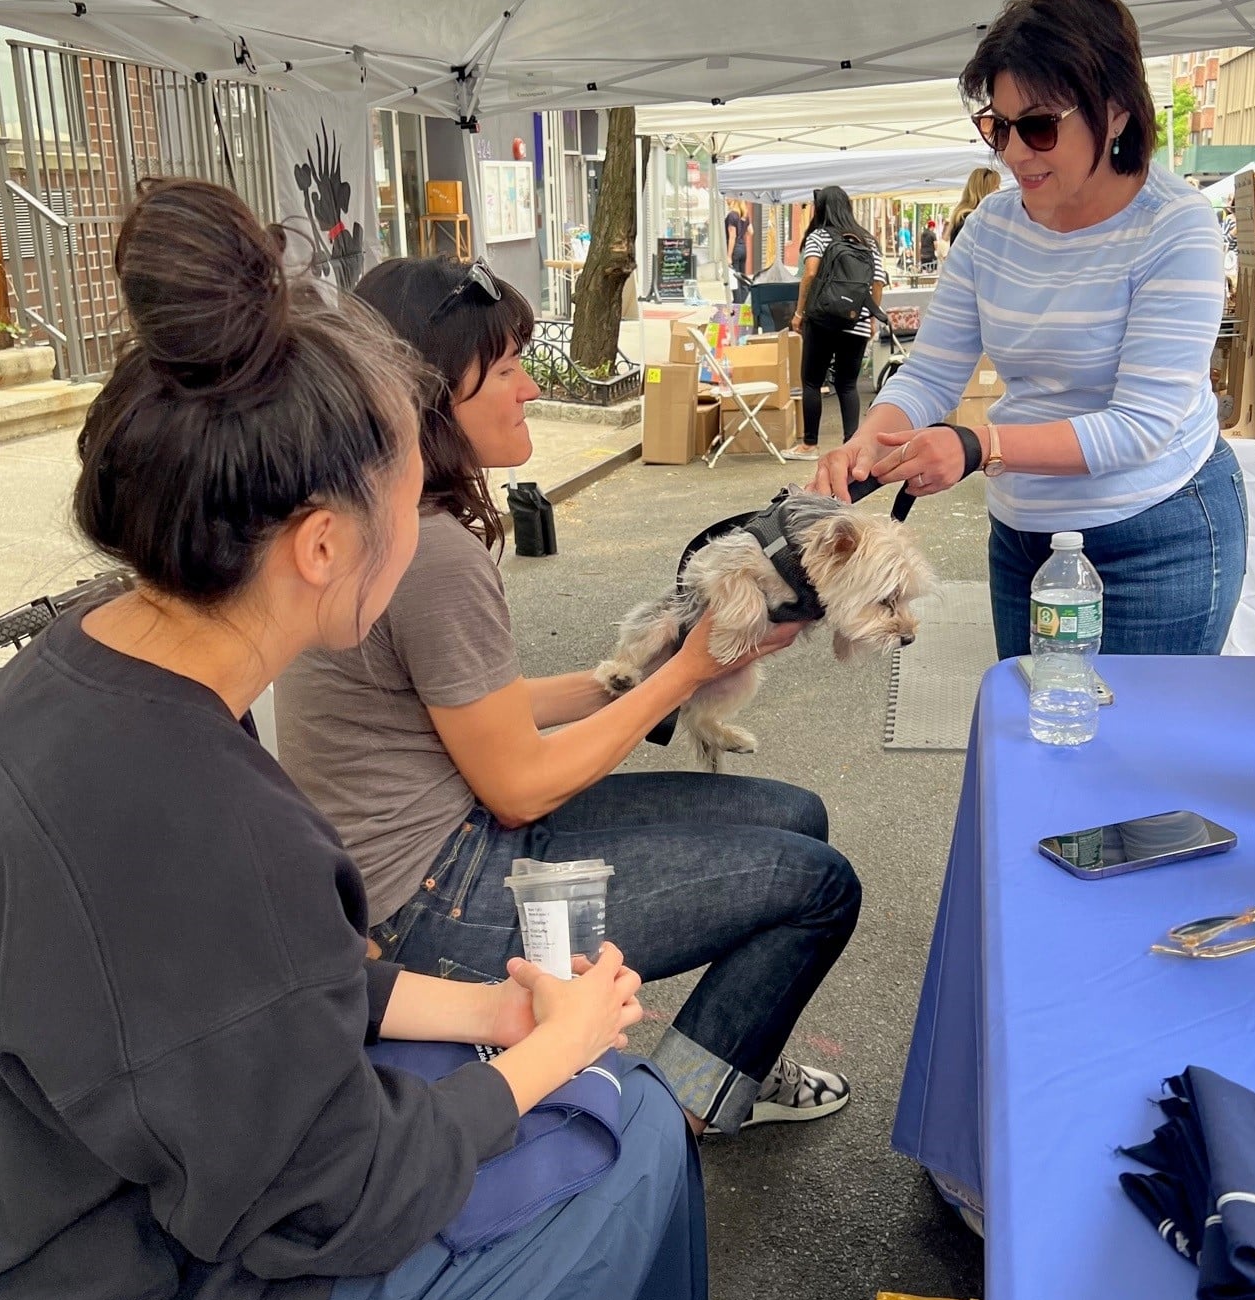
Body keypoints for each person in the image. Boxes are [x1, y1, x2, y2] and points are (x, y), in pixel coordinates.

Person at [0, 182, 704, 1300]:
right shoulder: (206, 818)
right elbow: (335, 1201)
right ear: (320, 542)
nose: (422, 515)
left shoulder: (77, 674)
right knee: (630, 1141)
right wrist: (550, 1053)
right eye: (402, 490)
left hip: (61, 1248)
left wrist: (495, 1006)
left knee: (540, 1092)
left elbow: (258, 993)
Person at [276, 254, 859, 1135]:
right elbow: (521, 787)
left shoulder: (378, 517)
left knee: (798, 816)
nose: (528, 388)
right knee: (821, 885)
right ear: (424, 397)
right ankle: (680, 1112)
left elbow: (483, 713)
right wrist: (687, 669)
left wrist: (615, 677)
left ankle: (724, 1059)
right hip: (436, 904)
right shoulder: (431, 552)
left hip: (426, 863)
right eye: (505, 370)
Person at [812, 0, 1247, 660]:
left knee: (1138, 754)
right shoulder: (992, 226)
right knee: (1038, 740)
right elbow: (930, 372)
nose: (1015, 153)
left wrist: (980, 447)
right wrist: (869, 442)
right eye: (997, 126)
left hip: (1156, 533)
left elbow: (1140, 427)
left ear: (1117, 112)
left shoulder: (1177, 228)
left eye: (1039, 126)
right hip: (1026, 534)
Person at [782, 184, 886, 464]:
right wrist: (872, 316)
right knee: (848, 384)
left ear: (821, 208)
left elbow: (810, 273)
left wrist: (799, 312)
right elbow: (878, 281)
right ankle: (851, 445)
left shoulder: (819, 236)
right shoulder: (867, 240)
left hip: (824, 318)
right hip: (857, 320)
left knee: (812, 381)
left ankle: (809, 445)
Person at [948, 166, 1001, 247]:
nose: (999, 190)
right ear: (985, 190)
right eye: (996, 186)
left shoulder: (964, 216)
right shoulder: (974, 220)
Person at [724, 201, 750, 283]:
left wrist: (728, 256)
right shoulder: (745, 215)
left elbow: (732, 236)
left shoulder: (732, 215)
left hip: (734, 248)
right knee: (742, 280)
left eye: (728, 197)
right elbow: (751, 231)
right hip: (743, 248)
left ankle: (738, 296)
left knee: (735, 281)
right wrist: (741, 233)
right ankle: (745, 296)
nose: (726, 200)